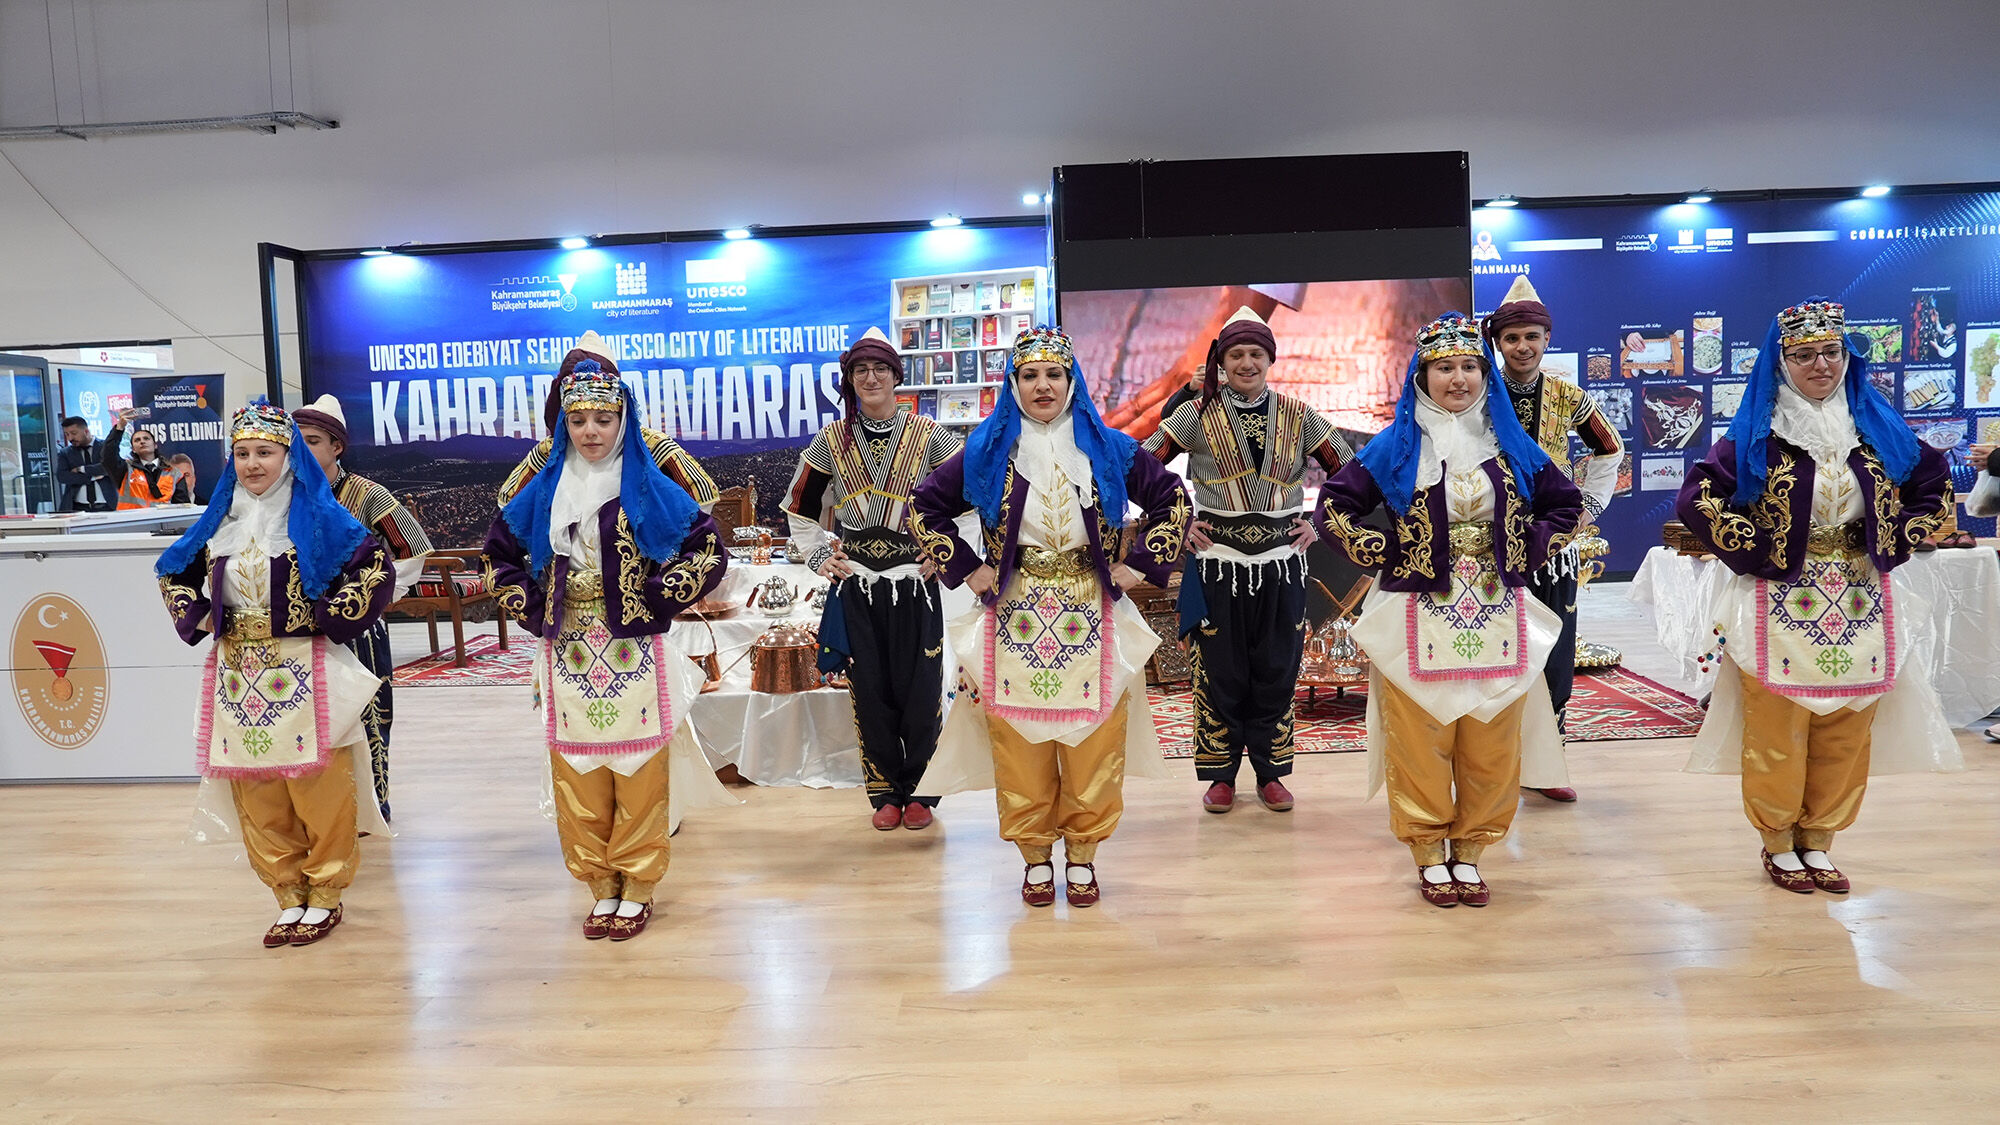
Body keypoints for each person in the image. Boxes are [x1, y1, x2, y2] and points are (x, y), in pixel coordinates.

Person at [1675, 299, 1956, 894]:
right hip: (1776, 600)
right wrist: (1754, 549)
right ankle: (1777, 840)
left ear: (1847, 358)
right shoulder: (1756, 436)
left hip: (1861, 597)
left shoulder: (1879, 430)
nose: (1820, 365)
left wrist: (1896, 535)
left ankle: (1821, 838)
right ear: (1781, 363)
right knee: (1777, 725)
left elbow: (1933, 484)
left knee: (1848, 726)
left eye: (1831, 352)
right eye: (1804, 355)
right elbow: (1698, 498)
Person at [911, 325, 1190, 908]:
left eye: (1053, 375)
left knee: (1093, 737)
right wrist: (966, 567)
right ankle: (1035, 854)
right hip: (1014, 615)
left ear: (1072, 382)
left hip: (1092, 611)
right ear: (1012, 384)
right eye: (1029, 375)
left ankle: (1084, 853)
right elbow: (924, 507)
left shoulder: (1109, 449)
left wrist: (1138, 564)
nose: (1042, 386)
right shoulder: (988, 451)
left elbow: (1173, 501)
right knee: (1019, 743)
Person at [1318, 313, 1581, 908]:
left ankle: (1472, 849)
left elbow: (1564, 504)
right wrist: (1386, 550)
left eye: (1468, 366)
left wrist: (1525, 547)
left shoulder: (1511, 442)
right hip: (1419, 609)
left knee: (1492, 735)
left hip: (1498, 609)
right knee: (1421, 736)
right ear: (1423, 375)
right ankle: (1429, 851)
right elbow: (1334, 507)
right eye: (1444, 368)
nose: (1457, 379)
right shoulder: (1397, 445)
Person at [485, 336, 733, 940]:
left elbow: (707, 548)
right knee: (578, 766)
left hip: (633, 647)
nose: (591, 431)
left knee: (639, 763)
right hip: (567, 646)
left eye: (603, 418)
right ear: (562, 421)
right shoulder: (542, 488)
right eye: (578, 419)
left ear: (624, 418)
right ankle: (598, 881)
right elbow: (499, 557)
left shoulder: (648, 482)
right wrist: (532, 602)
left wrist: (655, 597)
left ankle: (639, 881)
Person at [154, 402, 396, 947]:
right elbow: (172, 570)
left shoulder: (318, 517)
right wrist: (194, 614)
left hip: (304, 666)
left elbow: (374, 566)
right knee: (258, 785)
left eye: (264, 452)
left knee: (317, 784)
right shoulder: (222, 520)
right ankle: (287, 891)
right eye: (241, 454)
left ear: (288, 458)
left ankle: (327, 890)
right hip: (239, 673)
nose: (252, 464)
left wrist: (330, 616)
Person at [1143, 307, 1353, 813]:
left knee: (1277, 668)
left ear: (1270, 359)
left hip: (1283, 561)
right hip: (1217, 562)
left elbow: (1350, 470)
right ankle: (1219, 776)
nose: (1245, 363)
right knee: (1218, 671)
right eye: (1235, 354)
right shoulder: (1194, 415)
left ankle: (1270, 772)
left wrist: (1321, 522)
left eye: (1255, 354)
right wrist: (1179, 520)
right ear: (1221, 360)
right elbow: (1142, 465)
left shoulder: (1302, 416)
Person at [784, 328, 962, 830]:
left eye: (880, 368)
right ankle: (883, 790)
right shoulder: (830, 442)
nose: (870, 378)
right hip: (858, 582)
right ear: (849, 380)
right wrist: (821, 555)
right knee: (869, 688)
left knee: (922, 689)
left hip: (915, 582)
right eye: (860, 370)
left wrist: (946, 554)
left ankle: (922, 792)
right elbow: (798, 509)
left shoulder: (931, 436)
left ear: (896, 376)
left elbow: (970, 500)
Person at [1483, 274, 1625, 803]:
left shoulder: (1570, 397)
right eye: (1512, 338)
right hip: (1491, 546)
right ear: (1497, 342)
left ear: (1547, 340)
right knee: (1499, 648)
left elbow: (1609, 451)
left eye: (1532, 338)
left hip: (1553, 546)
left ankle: (1548, 762)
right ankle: (1494, 764)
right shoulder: (1479, 392)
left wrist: (1586, 507)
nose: (1523, 347)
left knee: (1555, 650)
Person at [294, 393, 435, 822]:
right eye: (295, 442)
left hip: (357, 629)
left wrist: (374, 598)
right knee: (306, 715)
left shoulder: (367, 495)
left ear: (337, 446)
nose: (302, 450)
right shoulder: (281, 496)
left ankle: (371, 805)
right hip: (298, 631)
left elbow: (412, 550)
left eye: (313, 440)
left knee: (367, 714)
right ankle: (316, 809)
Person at [103, 409, 193, 507]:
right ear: (133, 449)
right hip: (133, 521)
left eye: (146, 438)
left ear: (155, 445)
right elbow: (107, 455)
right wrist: (119, 428)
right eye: (137, 440)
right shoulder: (125, 469)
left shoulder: (174, 473)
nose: (142, 442)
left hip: (163, 521)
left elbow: (183, 506)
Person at [56, 416, 111, 511]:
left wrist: (81, 469)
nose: (70, 438)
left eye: (74, 433)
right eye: (67, 434)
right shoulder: (65, 453)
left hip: (108, 505)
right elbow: (62, 476)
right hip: (77, 508)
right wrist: (91, 477)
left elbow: (107, 467)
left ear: (86, 431)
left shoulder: (105, 446)